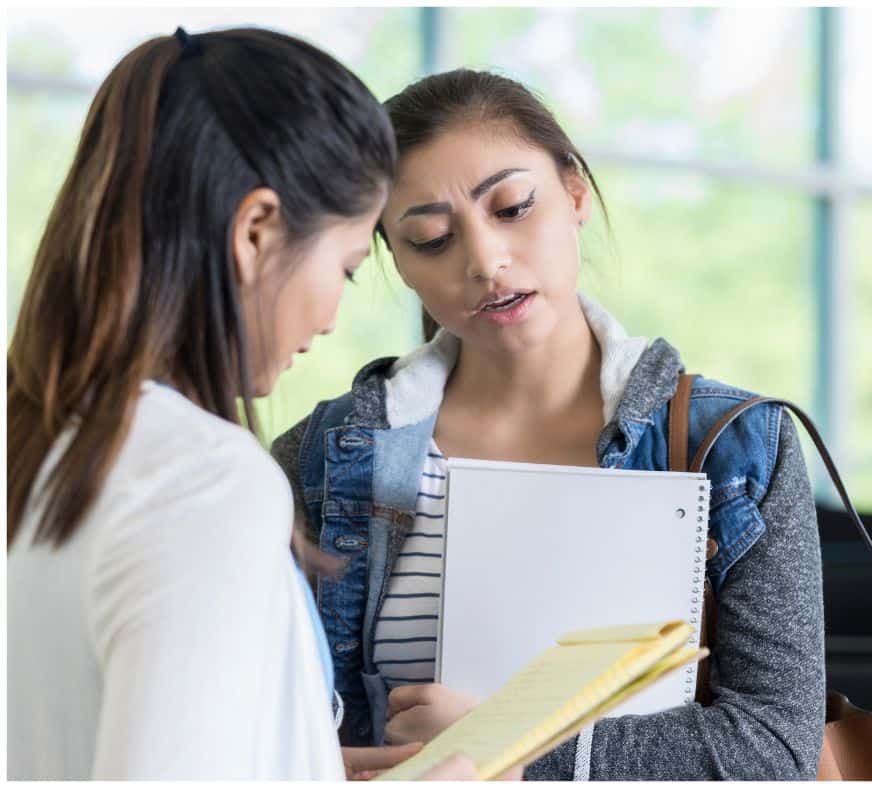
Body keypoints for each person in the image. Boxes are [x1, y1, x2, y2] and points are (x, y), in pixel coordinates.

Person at [272, 68, 827, 779]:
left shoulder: (739, 446)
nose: (484, 261)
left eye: (511, 207)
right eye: (432, 239)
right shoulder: (321, 459)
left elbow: (774, 749)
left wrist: (509, 747)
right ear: (393, 259)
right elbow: (268, 725)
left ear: (575, 194)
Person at [6, 27, 475, 781]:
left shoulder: (41, 443)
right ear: (256, 230)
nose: (329, 319)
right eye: (348, 269)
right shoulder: (202, 480)